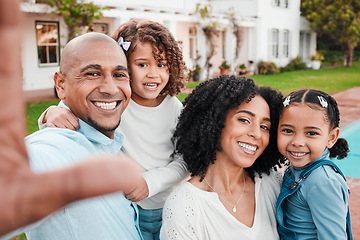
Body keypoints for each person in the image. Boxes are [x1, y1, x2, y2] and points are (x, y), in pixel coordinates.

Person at [0, 0, 141, 238]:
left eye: (119, 74)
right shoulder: (58, 146)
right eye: (92, 73)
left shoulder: (114, 141)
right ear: (61, 84)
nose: (110, 88)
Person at [38, 20, 188, 240]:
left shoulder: (174, 107)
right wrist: (50, 113)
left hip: (170, 207)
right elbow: (74, 118)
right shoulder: (115, 104)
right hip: (129, 210)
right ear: (124, 65)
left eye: (161, 64)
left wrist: (150, 183)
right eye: (142, 65)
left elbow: (185, 159)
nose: (153, 74)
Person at [160, 75, 285, 239]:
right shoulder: (184, 206)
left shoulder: (272, 184)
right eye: (244, 120)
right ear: (215, 121)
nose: (256, 133)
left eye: (264, 126)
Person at [276, 89, 353, 239]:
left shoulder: (322, 182)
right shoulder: (300, 168)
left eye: (311, 133)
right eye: (287, 130)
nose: (297, 142)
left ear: (331, 137)